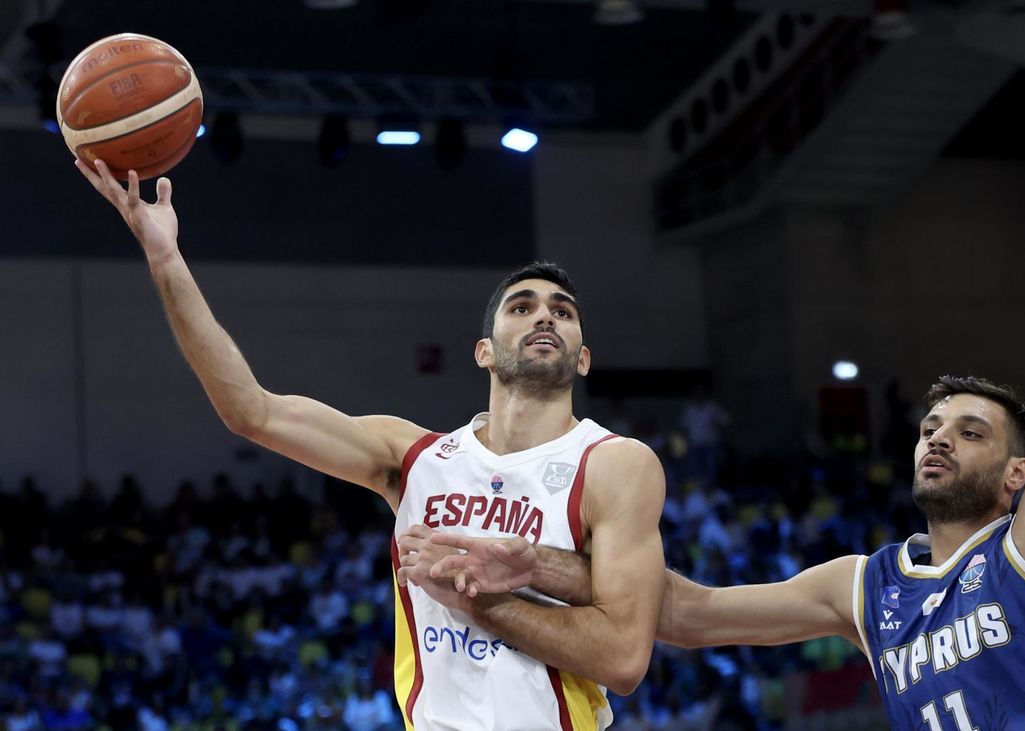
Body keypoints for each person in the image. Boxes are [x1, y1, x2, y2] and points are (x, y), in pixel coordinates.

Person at [398, 45, 1025, 729]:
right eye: (932, 423)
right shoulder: (868, 586)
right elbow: (684, 613)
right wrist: (526, 562)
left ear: (1017, 475)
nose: (936, 435)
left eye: (968, 430)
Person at [75, 153, 667, 731]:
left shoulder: (615, 464)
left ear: (584, 358)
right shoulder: (411, 455)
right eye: (523, 306)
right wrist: (165, 256)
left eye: (562, 312)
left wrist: (477, 599)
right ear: (483, 351)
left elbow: (621, 659)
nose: (545, 317)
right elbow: (251, 410)